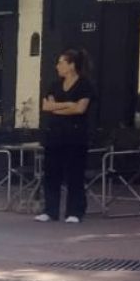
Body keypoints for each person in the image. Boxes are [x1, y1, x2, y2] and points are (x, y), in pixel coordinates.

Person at [36, 48, 94, 223]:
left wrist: (58, 107)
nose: (57, 66)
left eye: (61, 62)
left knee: (74, 174)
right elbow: (47, 106)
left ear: (71, 65)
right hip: (54, 135)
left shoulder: (85, 85)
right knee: (51, 173)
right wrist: (69, 104)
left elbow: (80, 108)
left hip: (75, 137)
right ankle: (50, 210)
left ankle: (75, 211)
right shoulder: (54, 85)